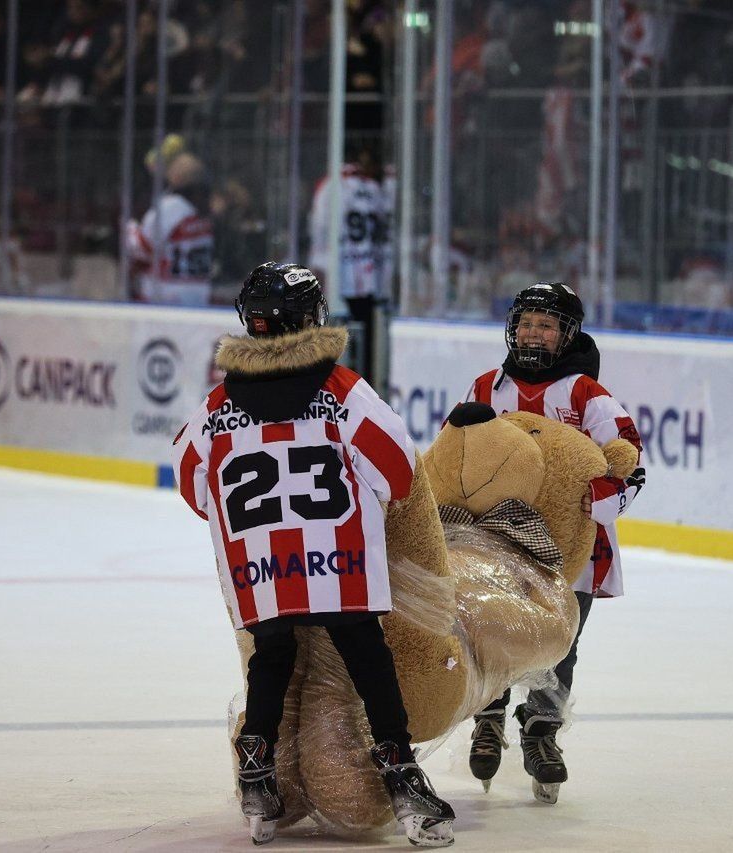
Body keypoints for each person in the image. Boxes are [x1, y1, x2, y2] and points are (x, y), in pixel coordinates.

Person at [172, 262, 455, 847]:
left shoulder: (217, 405)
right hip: (338, 561)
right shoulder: (343, 391)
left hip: (263, 567)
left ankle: (257, 773)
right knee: (367, 657)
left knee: (272, 656)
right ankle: (402, 775)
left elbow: (192, 482)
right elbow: (398, 471)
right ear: (310, 319)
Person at [459, 281, 645, 804]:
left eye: (546, 325)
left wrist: (609, 496)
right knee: (491, 628)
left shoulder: (585, 392)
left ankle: (541, 732)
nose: (533, 333)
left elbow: (628, 456)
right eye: (526, 323)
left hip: (573, 545)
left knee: (561, 641)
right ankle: (488, 717)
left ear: (566, 334)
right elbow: (459, 452)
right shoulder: (486, 387)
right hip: (499, 538)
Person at [307, 140, 394, 383]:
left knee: (335, 338)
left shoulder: (332, 185)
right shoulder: (377, 188)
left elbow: (319, 228)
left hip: (341, 275)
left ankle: (336, 385)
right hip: (369, 275)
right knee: (365, 337)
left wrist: (318, 267)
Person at [126, 135, 214, 306]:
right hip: (198, 295)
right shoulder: (203, 213)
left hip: (166, 296)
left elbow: (141, 248)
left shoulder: (171, 207)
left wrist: (130, 227)